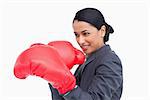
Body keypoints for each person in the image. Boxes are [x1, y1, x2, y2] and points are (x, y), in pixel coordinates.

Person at [49, 7, 123, 100]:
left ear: (102, 31)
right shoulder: (87, 61)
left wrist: (67, 86)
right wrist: (55, 79)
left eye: (86, 33)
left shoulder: (110, 61)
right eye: (76, 35)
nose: (80, 41)